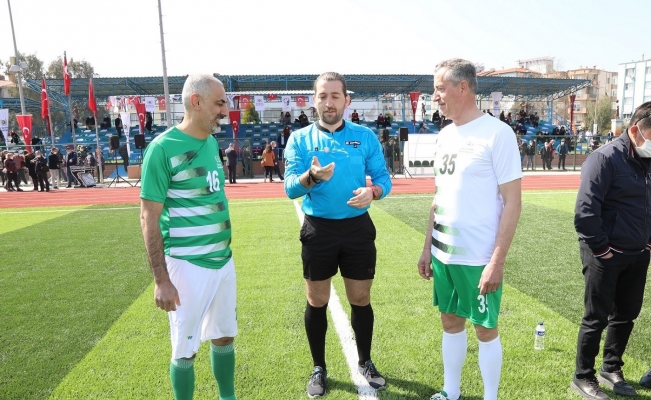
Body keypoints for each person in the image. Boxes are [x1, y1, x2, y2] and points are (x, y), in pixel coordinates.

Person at [417, 59, 522, 400]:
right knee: (450, 323)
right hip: (443, 253)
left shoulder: (497, 134)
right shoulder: (445, 135)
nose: (435, 96)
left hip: (478, 256)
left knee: (485, 328)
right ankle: (451, 392)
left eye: (440, 88)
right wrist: (427, 247)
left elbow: (513, 202)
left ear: (463, 88)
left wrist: (497, 262)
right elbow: (439, 196)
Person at [284, 72, 392, 398]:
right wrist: (311, 177)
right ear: (314, 100)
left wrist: (372, 192)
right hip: (319, 230)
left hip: (357, 229)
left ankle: (365, 361)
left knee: (360, 299)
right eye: (322, 96)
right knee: (317, 300)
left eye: (335, 96)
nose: (328, 102)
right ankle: (319, 367)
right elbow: (290, 188)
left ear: (346, 100)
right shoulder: (299, 139)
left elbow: (384, 179)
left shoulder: (364, 136)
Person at [139, 74, 237, 400]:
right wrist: (161, 280)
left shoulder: (210, 143)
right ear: (196, 102)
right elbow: (148, 218)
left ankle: (228, 397)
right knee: (185, 350)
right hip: (186, 265)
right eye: (219, 103)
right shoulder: (162, 149)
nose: (225, 110)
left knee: (224, 335)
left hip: (223, 261)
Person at [571, 102, 651, 400]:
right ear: (636, 130)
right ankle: (583, 376)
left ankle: (611, 368)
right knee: (596, 317)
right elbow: (585, 211)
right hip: (605, 254)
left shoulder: (647, 160)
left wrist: (648, 241)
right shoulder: (604, 158)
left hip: (638, 253)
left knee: (626, 314)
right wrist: (602, 249)